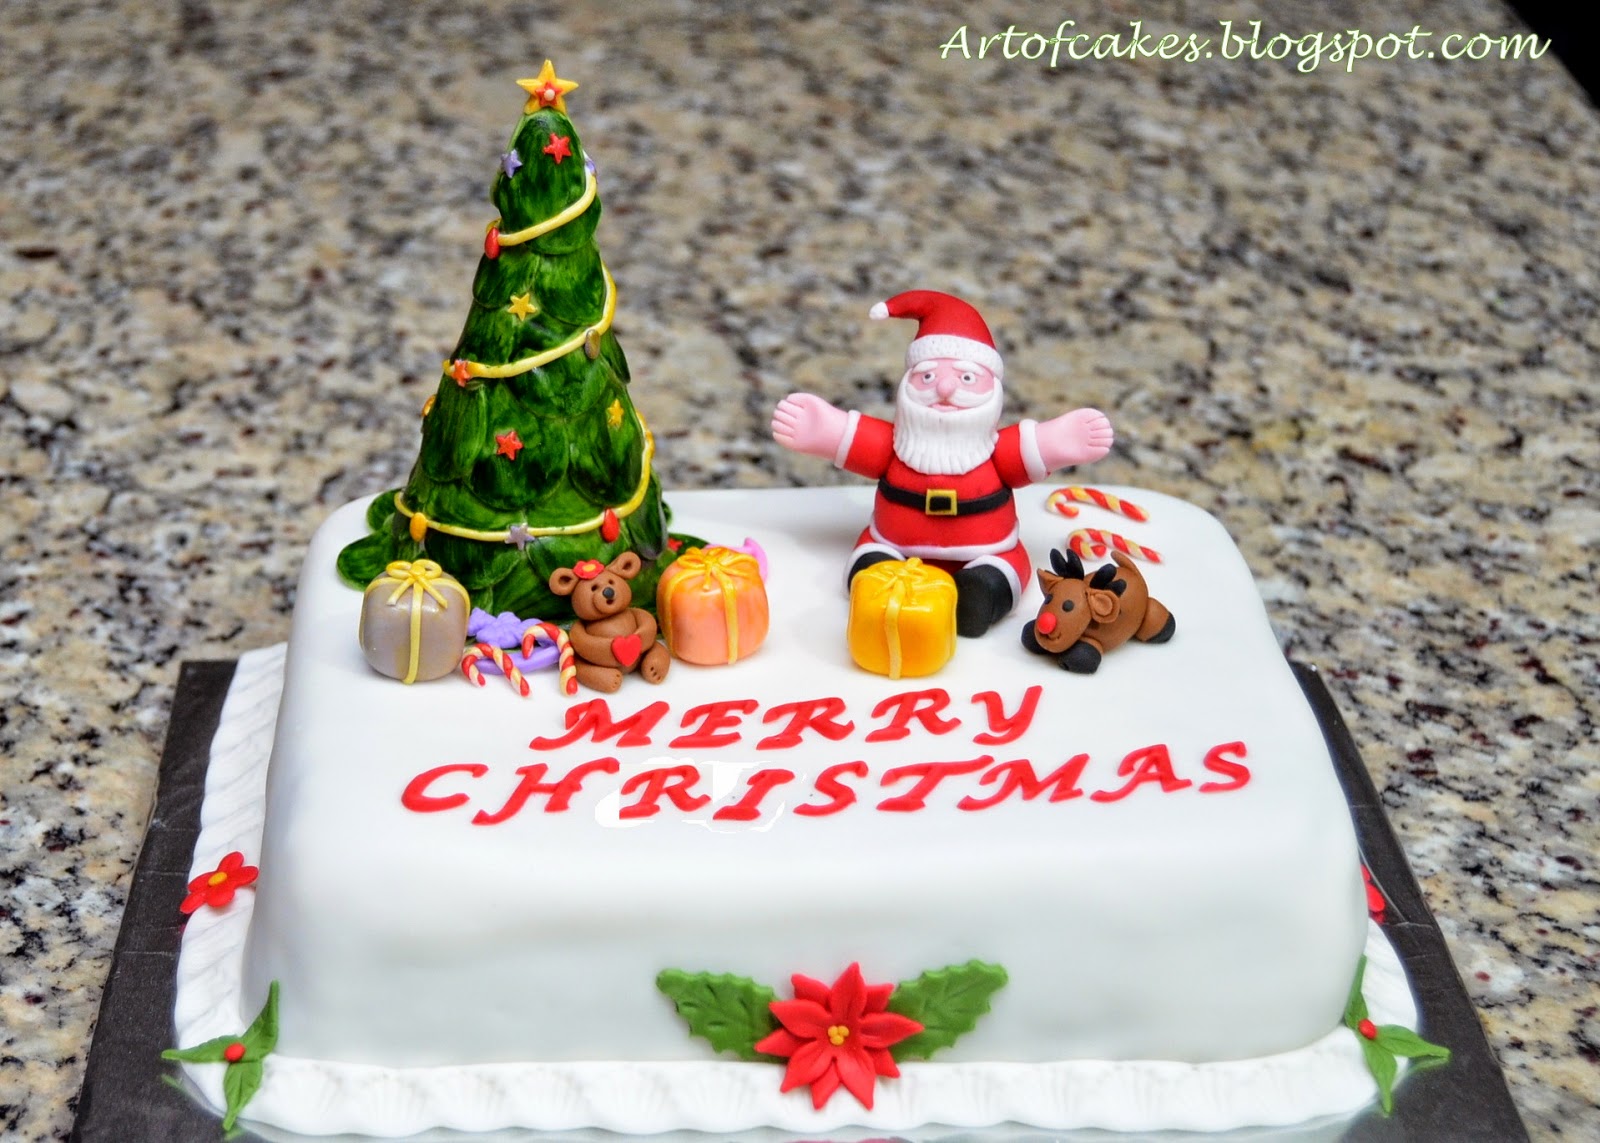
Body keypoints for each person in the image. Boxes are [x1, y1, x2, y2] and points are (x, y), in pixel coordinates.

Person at [772, 290, 1113, 636]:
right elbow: (853, 439)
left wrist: (1061, 440)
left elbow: (1031, 449)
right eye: (928, 377)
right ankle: (878, 587)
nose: (946, 387)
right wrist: (821, 429)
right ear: (907, 386)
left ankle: (982, 595)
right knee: (870, 562)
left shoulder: (994, 450)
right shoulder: (896, 445)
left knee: (1004, 569)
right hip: (893, 545)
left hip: (988, 548)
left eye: (967, 378)